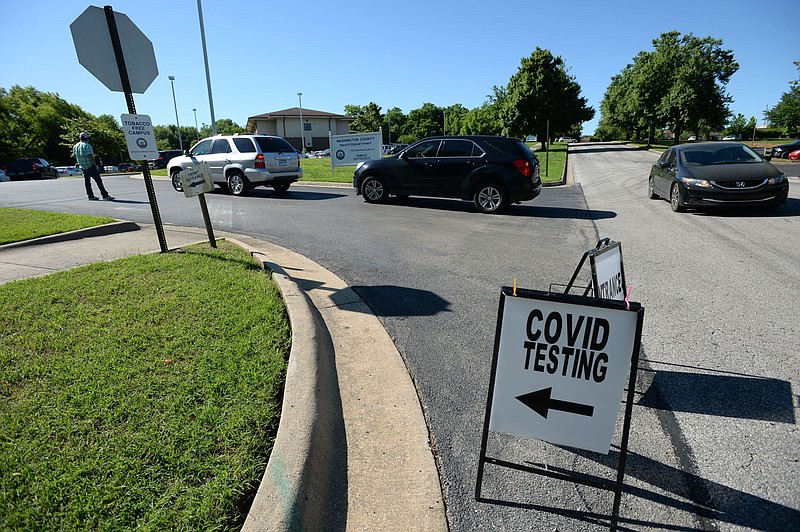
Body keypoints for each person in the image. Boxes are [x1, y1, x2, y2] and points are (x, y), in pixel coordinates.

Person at [72, 132, 113, 201]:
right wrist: (94, 164)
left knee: (87, 182)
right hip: (90, 166)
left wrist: (79, 161)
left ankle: (90, 196)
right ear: (86, 138)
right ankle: (105, 195)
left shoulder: (75, 146)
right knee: (98, 181)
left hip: (83, 166)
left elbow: (74, 155)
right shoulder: (87, 145)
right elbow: (90, 155)